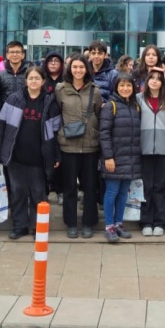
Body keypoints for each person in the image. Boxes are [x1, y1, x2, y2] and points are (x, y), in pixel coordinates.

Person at [0, 66, 62, 239]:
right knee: (17, 193)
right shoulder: (13, 99)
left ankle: (36, 226)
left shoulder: (49, 102)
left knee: (38, 194)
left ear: (43, 81)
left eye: (37, 78)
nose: (34, 81)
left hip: (39, 157)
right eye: (31, 78)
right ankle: (19, 226)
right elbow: (1, 125)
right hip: (16, 156)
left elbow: (56, 131)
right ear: (26, 81)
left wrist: (55, 155)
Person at [55, 54, 104, 238]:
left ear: (87, 69)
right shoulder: (60, 89)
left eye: (81, 67)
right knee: (69, 188)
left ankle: (88, 223)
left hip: (91, 146)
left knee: (90, 187)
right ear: (69, 69)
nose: (78, 70)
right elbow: (56, 114)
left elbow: (99, 115)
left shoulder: (95, 90)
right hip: (68, 146)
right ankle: (71, 223)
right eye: (74, 67)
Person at [99, 73, 142, 243]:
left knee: (123, 193)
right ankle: (109, 226)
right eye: (122, 85)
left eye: (129, 85)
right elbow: (104, 133)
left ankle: (118, 223)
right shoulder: (111, 106)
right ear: (116, 87)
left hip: (131, 158)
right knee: (111, 193)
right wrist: (108, 157)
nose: (125, 89)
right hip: (114, 159)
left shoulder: (135, 106)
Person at [137, 67, 165, 237]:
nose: (155, 81)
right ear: (147, 80)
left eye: (159, 79)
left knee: (160, 187)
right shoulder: (137, 99)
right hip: (143, 149)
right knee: (146, 187)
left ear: (163, 82)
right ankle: (146, 221)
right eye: (152, 78)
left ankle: (159, 221)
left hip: (164, 150)